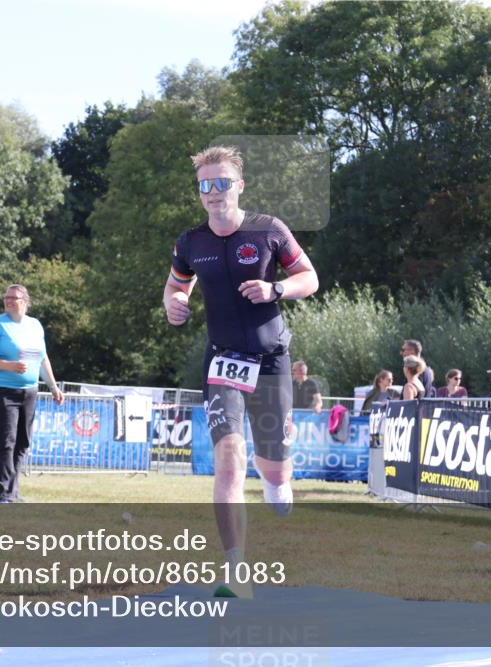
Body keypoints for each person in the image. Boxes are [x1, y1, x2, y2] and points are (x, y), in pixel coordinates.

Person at [163, 145, 319, 598]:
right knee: (228, 461)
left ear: (239, 186)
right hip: (223, 361)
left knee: (273, 468)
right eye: (205, 186)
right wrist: (174, 305)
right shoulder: (191, 242)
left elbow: (309, 277)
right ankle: (236, 571)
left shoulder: (268, 230)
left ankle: (276, 478)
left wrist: (276, 288)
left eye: (222, 183)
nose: (214, 193)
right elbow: (176, 287)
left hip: (270, 361)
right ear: (199, 192)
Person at [0, 284, 65, 504]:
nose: (7, 300)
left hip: (28, 392)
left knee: (22, 443)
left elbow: (42, 358)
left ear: (24, 301)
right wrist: (8, 366)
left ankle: (14, 493)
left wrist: (53, 387)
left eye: (13, 298)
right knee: (6, 441)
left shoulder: (35, 325)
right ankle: (3, 494)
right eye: (5, 297)